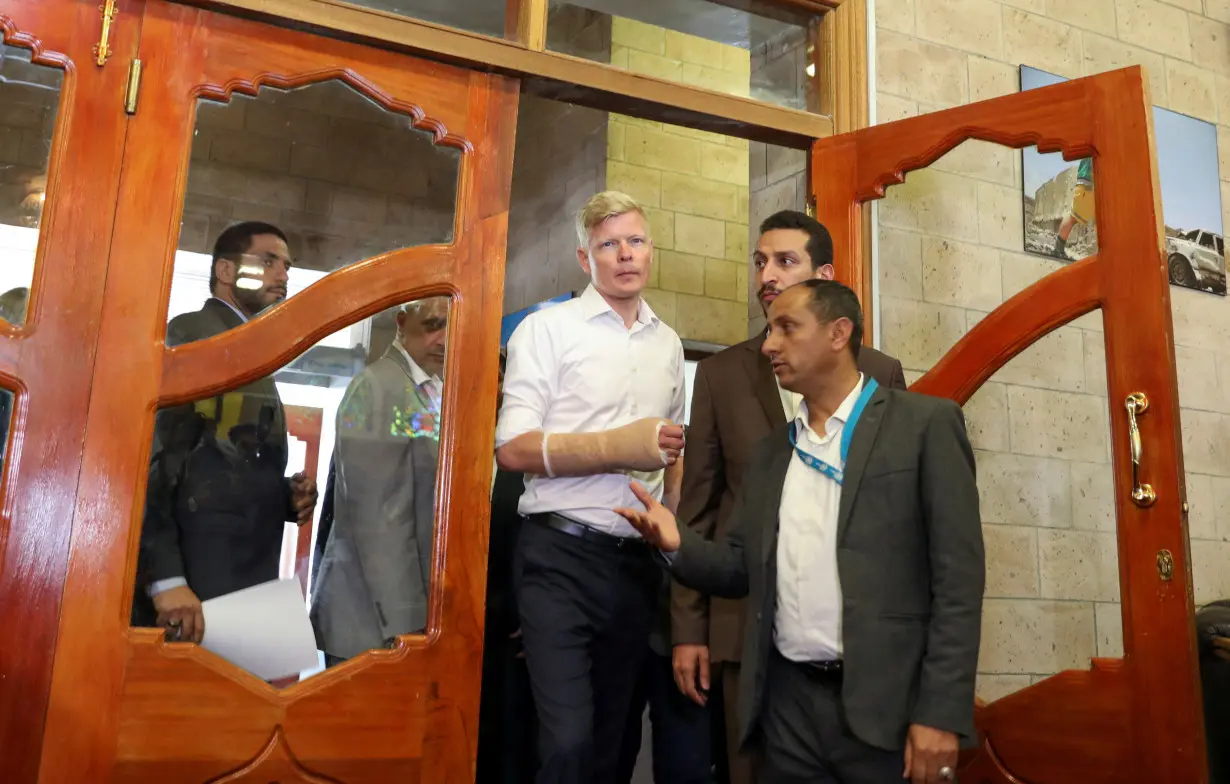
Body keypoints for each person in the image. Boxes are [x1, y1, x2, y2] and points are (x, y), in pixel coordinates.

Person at [617, 279, 985, 784]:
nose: (769, 344)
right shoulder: (773, 452)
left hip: (887, 712)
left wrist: (941, 712)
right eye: (770, 330)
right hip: (786, 712)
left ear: (839, 333)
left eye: (787, 328)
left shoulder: (924, 426)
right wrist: (678, 543)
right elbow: (741, 567)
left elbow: (958, 584)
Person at [671, 210, 906, 784]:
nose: (767, 275)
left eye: (785, 260)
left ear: (824, 274)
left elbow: (898, 517)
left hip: (856, 645)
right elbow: (698, 508)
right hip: (743, 634)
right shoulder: (723, 374)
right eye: (759, 261)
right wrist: (689, 632)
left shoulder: (880, 374)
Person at [495, 190, 687, 784]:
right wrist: (614, 448)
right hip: (557, 556)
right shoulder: (546, 329)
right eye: (609, 244)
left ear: (651, 249)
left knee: (616, 742)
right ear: (586, 258)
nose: (625, 255)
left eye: (635, 241)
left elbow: (674, 445)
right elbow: (512, 448)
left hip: (635, 564)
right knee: (568, 742)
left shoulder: (670, 344)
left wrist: (670, 517)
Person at [134, 221, 318, 642]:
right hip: (196, 585)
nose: (282, 274)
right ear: (225, 272)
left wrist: (283, 493)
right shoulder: (195, 337)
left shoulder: (247, 346)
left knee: (243, 706)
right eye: (268, 261)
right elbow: (150, 461)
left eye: (287, 266)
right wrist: (165, 579)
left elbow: (216, 462)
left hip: (239, 578)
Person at [310, 296, 448, 666]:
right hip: (372, 623)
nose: (445, 338)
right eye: (434, 324)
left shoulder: (428, 389)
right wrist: (405, 626)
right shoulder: (377, 386)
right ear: (402, 322)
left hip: (400, 615)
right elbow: (378, 517)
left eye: (452, 326)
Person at [1054, 157, 1094, 260]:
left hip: (1088, 184)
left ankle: (1058, 248)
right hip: (1087, 183)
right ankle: (1058, 249)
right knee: (1073, 217)